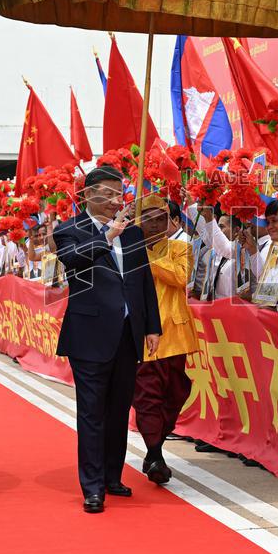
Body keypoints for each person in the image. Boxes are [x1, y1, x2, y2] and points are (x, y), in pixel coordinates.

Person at [53, 167, 161, 513]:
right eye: (110, 193)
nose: (117, 200)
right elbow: (72, 260)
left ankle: (113, 476)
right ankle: (93, 486)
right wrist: (108, 236)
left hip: (128, 335)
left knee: (118, 411)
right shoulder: (68, 230)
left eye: (120, 193)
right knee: (92, 413)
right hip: (89, 335)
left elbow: (143, 280)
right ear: (88, 194)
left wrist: (152, 326)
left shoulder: (133, 233)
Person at [133, 195, 196, 485]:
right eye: (148, 219)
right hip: (143, 335)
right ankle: (156, 454)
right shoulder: (127, 251)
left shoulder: (181, 248)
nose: (155, 225)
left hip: (174, 335)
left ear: (170, 222)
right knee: (148, 396)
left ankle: (154, 449)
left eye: (161, 219)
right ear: (139, 222)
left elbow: (181, 278)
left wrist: (147, 256)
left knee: (175, 393)